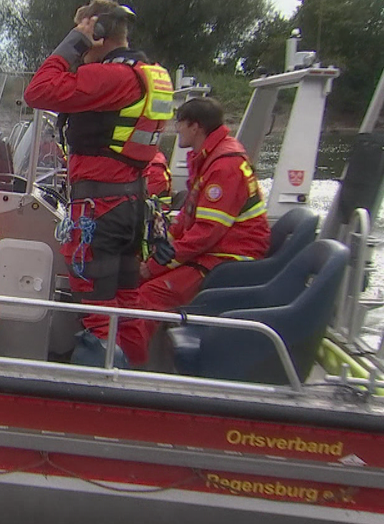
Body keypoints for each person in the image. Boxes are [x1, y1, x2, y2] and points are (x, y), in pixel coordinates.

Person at [23, 0, 175, 368]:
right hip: (132, 207)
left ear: (99, 33)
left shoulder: (113, 77)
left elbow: (38, 92)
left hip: (100, 213)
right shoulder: (151, 73)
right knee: (127, 303)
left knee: (97, 310)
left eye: (88, 35)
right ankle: (137, 377)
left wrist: (75, 39)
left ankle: (100, 394)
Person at [116, 98, 270, 364]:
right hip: (217, 250)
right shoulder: (211, 158)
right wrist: (158, 253)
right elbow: (189, 220)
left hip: (230, 258)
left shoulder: (224, 166)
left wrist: (154, 267)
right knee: (135, 284)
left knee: (146, 297)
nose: (177, 130)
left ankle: (128, 370)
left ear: (195, 126)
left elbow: (206, 233)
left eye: (181, 124)